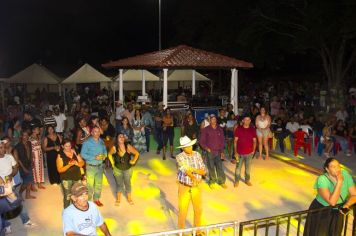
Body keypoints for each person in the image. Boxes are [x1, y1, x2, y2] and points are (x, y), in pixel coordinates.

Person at [303, 158, 356, 236]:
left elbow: (354, 194)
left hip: (338, 211)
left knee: (335, 233)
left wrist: (347, 205)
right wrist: (339, 182)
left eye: (338, 166)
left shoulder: (345, 174)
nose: (337, 169)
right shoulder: (322, 179)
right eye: (333, 166)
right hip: (322, 211)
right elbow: (332, 202)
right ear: (327, 169)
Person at [176, 136, 206, 232]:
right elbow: (185, 170)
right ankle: (181, 232)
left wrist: (192, 169)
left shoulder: (197, 154)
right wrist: (193, 176)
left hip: (197, 186)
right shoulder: (179, 157)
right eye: (186, 147)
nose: (189, 148)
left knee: (198, 210)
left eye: (190, 146)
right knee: (183, 211)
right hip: (184, 187)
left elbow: (203, 171)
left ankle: (197, 231)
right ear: (182, 148)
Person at [108, 133, 139, 206]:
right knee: (119, 184)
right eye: (120, 137)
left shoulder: (128, 146)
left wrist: (134, 160)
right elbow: (109, 154)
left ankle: (129, 198)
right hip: (117, 169)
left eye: (123, 137)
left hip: (127, 169)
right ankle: (118, 199)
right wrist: (112, 163)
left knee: (127, 183)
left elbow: (137, 153)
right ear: (117, 139)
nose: (122, 138)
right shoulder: (114, 148)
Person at [80, 126, 107, 207]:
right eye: (95, 131)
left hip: (100, 166)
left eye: (98, 131)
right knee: (90, 185)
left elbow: (105, 150)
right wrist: (94, 157)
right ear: (92, 133)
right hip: (91, 166)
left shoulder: (101, 141)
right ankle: (88, 201)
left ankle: (96, 199)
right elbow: (82, 154)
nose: (97, 133)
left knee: (98, 184)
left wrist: (105, 156)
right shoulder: (87, 142)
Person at [199, 114, 227, 189]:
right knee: (211, 167)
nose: (214, 121)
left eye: (215, 119)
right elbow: (201, 141)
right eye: (212, 119)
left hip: (218, 151)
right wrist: (206, 148)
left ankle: (221, 181)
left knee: (219, 167)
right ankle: (212, 181)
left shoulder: (220, 129)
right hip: (210, 152)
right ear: (210, 120)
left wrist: (222, 151)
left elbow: (222, 141)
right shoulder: (206, 129)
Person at [57, 139, 85, 208]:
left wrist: (77, 163)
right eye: (66, 146)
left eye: (69, 146)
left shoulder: (75, 151)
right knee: (67, 196)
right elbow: (60, 170)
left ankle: (76, 209)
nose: (68, 148)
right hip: (66, 179)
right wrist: (69, 165)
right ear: (62, 146)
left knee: (77, 195)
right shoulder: (60, 155)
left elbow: (82, 163)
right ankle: (67, 212)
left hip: (77, 177)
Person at [234, 115, 257, 187]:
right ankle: (236, 181)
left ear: (250, 121)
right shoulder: (238, 129)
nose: (247, 121)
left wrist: (253, 150)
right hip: (239, 153)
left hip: (249, 153)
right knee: (238, 168)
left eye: (248, 120)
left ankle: (247, 180)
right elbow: (235, 141)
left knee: (248, 168)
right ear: (243, 121)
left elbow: (255, 141)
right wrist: (235, 152)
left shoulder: (252, 129)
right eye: (245, 120)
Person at [13, 131, 36, 199]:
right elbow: (18, 159)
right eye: (24, 135)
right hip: (22, 166)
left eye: (26, 135)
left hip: (29, 164)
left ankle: (27, 195)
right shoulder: (18, 146)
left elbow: (31, 153)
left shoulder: (29, 143)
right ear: (21, 136)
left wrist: (32, 161)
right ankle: (19, 193)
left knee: (30, 181)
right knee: (26, 182)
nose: (25, 137)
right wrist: (23, 168)